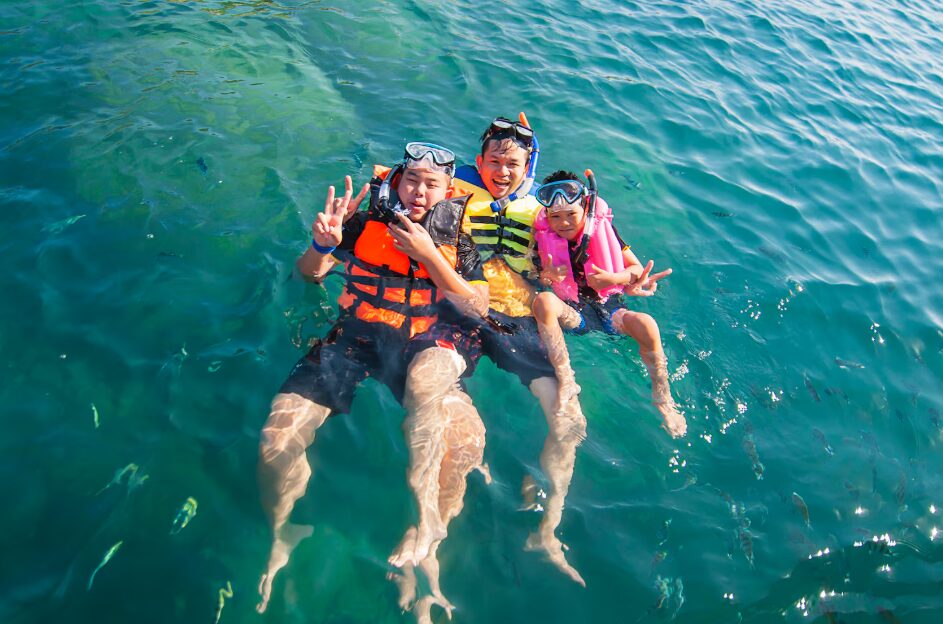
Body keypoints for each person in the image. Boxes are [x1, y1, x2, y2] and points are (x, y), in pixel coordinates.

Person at [256, 142, 490, 615]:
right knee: (274, 442)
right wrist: (322, 245)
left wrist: (430, 255)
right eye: (411, 180)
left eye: (431, 185)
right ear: (397, 182)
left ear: (448, 191)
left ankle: (427, 540)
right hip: (356, 336)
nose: (419, 192)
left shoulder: (460, 243)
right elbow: (309, 277)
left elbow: (477, 309)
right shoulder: (363, 224)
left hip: (426, 345)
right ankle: (281, 533)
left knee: (466, 444)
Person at [396, 114, 589, 586]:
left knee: (569, 419)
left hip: (518, 319)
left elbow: (589, 252)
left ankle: (548, 529)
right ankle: (426, 524)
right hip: (462, 314)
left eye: (513, 164)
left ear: (528, 166)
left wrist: (624, 283)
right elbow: (407, 186)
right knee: (431, 394)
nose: (503, 172)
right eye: (495, 162)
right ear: (478, 162)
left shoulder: (545, 208)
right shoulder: (455, 190)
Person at [531, 169, 686, 437]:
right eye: (555, 217)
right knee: (543, 301)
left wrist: (614, 278)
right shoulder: (542, 236)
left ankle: (664, 399)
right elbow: (537, 276)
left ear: (586, 208)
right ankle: (567, 381)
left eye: (571, 214)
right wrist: (547, 276)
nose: (563, 223)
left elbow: (635, 269)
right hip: (573, 313)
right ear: (547, 215)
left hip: (610, 308)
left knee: (647, 324)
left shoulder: (604, 229)